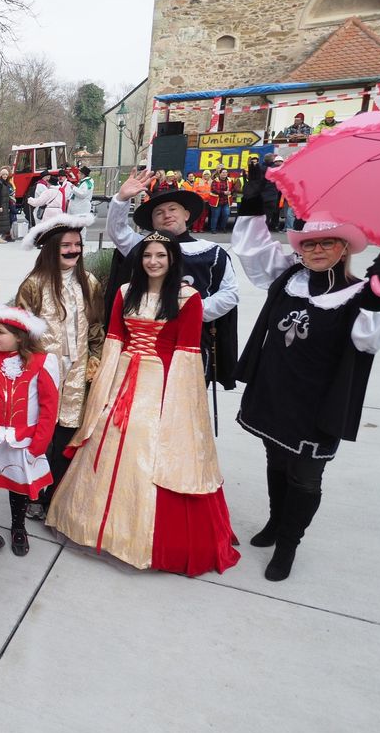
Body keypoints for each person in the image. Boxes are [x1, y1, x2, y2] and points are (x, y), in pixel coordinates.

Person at [47, 232, 240, 576]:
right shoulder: (125, 293)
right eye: (147, 255)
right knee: (106, 436)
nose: (153, 261)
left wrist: (180, 408)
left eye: (160, 256)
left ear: (172, 260)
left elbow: (187, 354)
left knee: (144, 440)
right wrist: (103, 392)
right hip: (122, 374)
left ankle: (140, 537)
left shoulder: (188, 298)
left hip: (162, 380)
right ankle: (93, 527)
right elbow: (115, 341)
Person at [231, 209, 380, 581]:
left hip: (318, 402)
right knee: (276, 459)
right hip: (276, 389)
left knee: (306, 477)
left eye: (327, 242)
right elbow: (252, 253)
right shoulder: (289, 278)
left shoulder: (359, 292)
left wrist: (379, 302)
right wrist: (252, 209)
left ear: (343, 248)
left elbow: (375, 339)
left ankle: (289, 545)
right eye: (309, 244)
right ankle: (276, 522)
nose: (317, 249)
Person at [107, 169, 240, 391]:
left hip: (192, 342)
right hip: (146, 344)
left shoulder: (212, 252)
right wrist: (121, 199)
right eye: (159, 212)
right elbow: (118, 231)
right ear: (152, 221)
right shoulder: (143, 248)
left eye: (172, 210)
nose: (166, 215)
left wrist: (193, 311)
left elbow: (230, 293)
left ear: (187, 215)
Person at [15, 213, 104, 522]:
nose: (72, 250)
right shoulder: (34, 284)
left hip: (78, 371)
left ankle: (56, 494)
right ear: (51, 249)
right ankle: (33, 494)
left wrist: (96, 358)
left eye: (77, 245)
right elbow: (21, 331)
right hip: (43, 372)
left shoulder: (88, 282)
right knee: (41, 434)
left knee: (67, 435)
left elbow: (95, 328)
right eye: (65, 245)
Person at [0, 305, 60, 557]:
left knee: (20, 486)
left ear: (20, 336)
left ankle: (18, 526)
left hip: (24, 440)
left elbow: (49, 408)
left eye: (1, 332)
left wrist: (38, 445)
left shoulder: (42, 362)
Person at [209, 169, 233, 234]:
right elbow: (213, 190)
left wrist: (231, 191)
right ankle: (213, 229)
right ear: (220, 173)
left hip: (226, 201)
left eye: (226, 172)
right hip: (217, 201)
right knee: (215, 216)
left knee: (226, 214)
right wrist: (223, 192)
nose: (224, 174)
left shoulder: (230, 180)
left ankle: (223, 227)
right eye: (223, 172)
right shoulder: (215, 180)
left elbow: (232, 188)